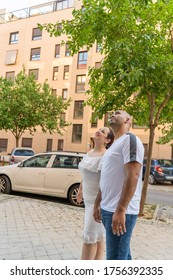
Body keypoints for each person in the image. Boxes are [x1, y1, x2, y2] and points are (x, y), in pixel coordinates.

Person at [94, 110, 144, 260]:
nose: (113, 115)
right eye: (112, 113)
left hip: (121, 211)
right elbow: (107, 177)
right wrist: (98, 202)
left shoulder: (130, 140)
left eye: (118, 113)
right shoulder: (115, 145)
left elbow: (133, 175)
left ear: (128, 120)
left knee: (115, 258)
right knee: (123, 256)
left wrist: (121, 209)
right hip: (108, 208)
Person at [77, 127, 114, 260]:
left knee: (90, 236)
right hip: (87, 200)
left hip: (98, 202)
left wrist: (98, 204)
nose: (99, 131)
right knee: (98, 236)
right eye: (99, 129)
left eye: (103, 132)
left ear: (107, 140)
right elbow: (85, 173)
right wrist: (80, 190)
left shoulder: (106, 156)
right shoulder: (89, 153)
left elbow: (106, 181)